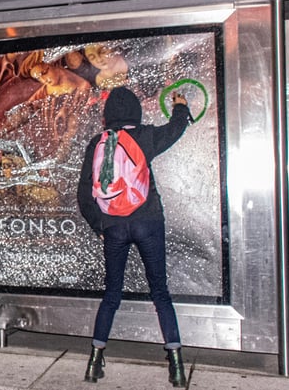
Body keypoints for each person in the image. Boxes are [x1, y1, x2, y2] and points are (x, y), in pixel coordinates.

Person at [77, 86, 191, 387]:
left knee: (111, 294)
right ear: (135, 112)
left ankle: (94, 362)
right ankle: (176, 366)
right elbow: (176, 128)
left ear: (108, 114)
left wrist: (99, 226)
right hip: (147, 221)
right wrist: (180, 106)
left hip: (113, 225)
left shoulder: (97, 142)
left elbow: (83, 194)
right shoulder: (145, 136)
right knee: (160, 292)